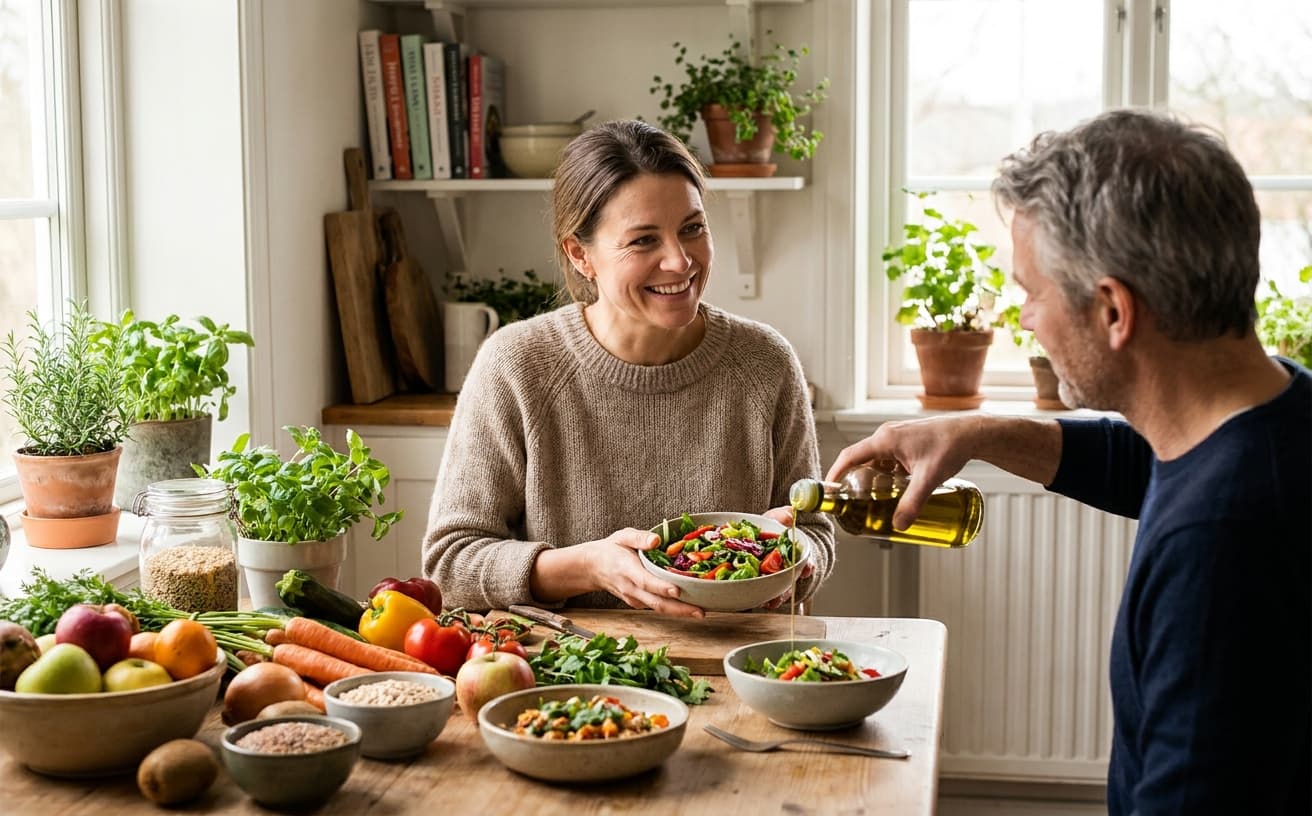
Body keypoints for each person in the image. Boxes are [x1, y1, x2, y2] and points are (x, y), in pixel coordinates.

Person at [829, 109, 1310, 815]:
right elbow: (1141, 463)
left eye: (1032, 292)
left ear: (1114, 310)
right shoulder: (1276, 410)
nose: (1024, 318)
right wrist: (975, 432)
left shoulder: (1219, 545)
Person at [423, 119, 835, 617]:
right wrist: (588, 567)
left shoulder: (765, 363)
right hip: (571, 661)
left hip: (735, 654)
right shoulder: (517, 366)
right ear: (580, 255)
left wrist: (795, 559)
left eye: (692, 228)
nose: (679, 262)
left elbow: (815, 533)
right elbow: (451, 565)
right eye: (643, 241)